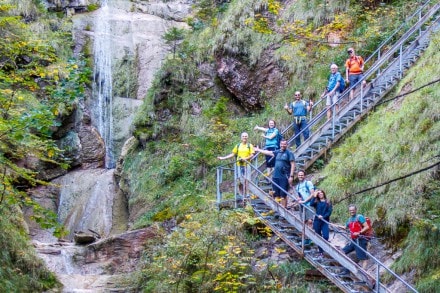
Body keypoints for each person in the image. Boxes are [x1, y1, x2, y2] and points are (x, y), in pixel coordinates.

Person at [254, 139, 295, 208]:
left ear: (287, 145)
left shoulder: (289, 153)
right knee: (276, 194)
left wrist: (291, 176)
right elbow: (268, 152)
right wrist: (258, 150)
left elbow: (293, 164)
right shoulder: (277, 152)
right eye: (281, 144)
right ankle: (278, 210)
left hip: (284, 177)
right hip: (275, 176)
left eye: (284, 144)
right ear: (280, 144)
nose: (283, 145)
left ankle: (283, 211)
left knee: (283, 194)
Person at [217, 132, 255, 197]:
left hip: (247, 164)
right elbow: (233, 154)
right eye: (243, 136)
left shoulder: (249, 145)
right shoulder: (238, 145)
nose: (244, 137)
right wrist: (223, 158)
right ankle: (242, 194)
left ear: (247, 137)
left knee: (247, 179)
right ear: (241, 137)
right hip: (239, 165)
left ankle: (248, 194)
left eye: (246, 136)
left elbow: (252, 154)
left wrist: (245, 158)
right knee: (240, 179)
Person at [340, 204, 370, 272]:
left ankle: (363, 273)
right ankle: (347, 269)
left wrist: (359, 232)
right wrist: (335, 226)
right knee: (342, 252)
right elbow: (345, 227)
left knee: (363, 258)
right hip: (353, 240)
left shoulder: (360, 217)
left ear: (356, 210)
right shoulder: (350, 219)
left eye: (353, 210)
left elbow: (367, 227)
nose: (352, 211)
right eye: (350, 210)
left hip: (360, 240)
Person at [308, 189, 332, 257]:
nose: (320, 194)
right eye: (319, 193)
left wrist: (323, 217)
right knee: (318, 236)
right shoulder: (316, 201)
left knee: (326, 236)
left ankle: (325, 248)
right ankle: (321, 252)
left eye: (321, 193)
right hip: (317, 221)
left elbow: (329, 212)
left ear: (324, 193)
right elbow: (311, 204)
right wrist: (314, 196)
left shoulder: (328, 202)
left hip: (325, 221)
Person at [296, 170, 315, 245]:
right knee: (304, 222)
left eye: (302, 175)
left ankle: (310, 238)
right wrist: (299, 199)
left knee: (310, 221)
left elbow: (312, 194)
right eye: (299, 175)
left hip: (309, 204)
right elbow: (299, 196)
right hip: (302, 206)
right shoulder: (298, 186)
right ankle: (306, 239)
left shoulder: (308, 183)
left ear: (304, 176)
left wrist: (305, 201)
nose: (300, 176)